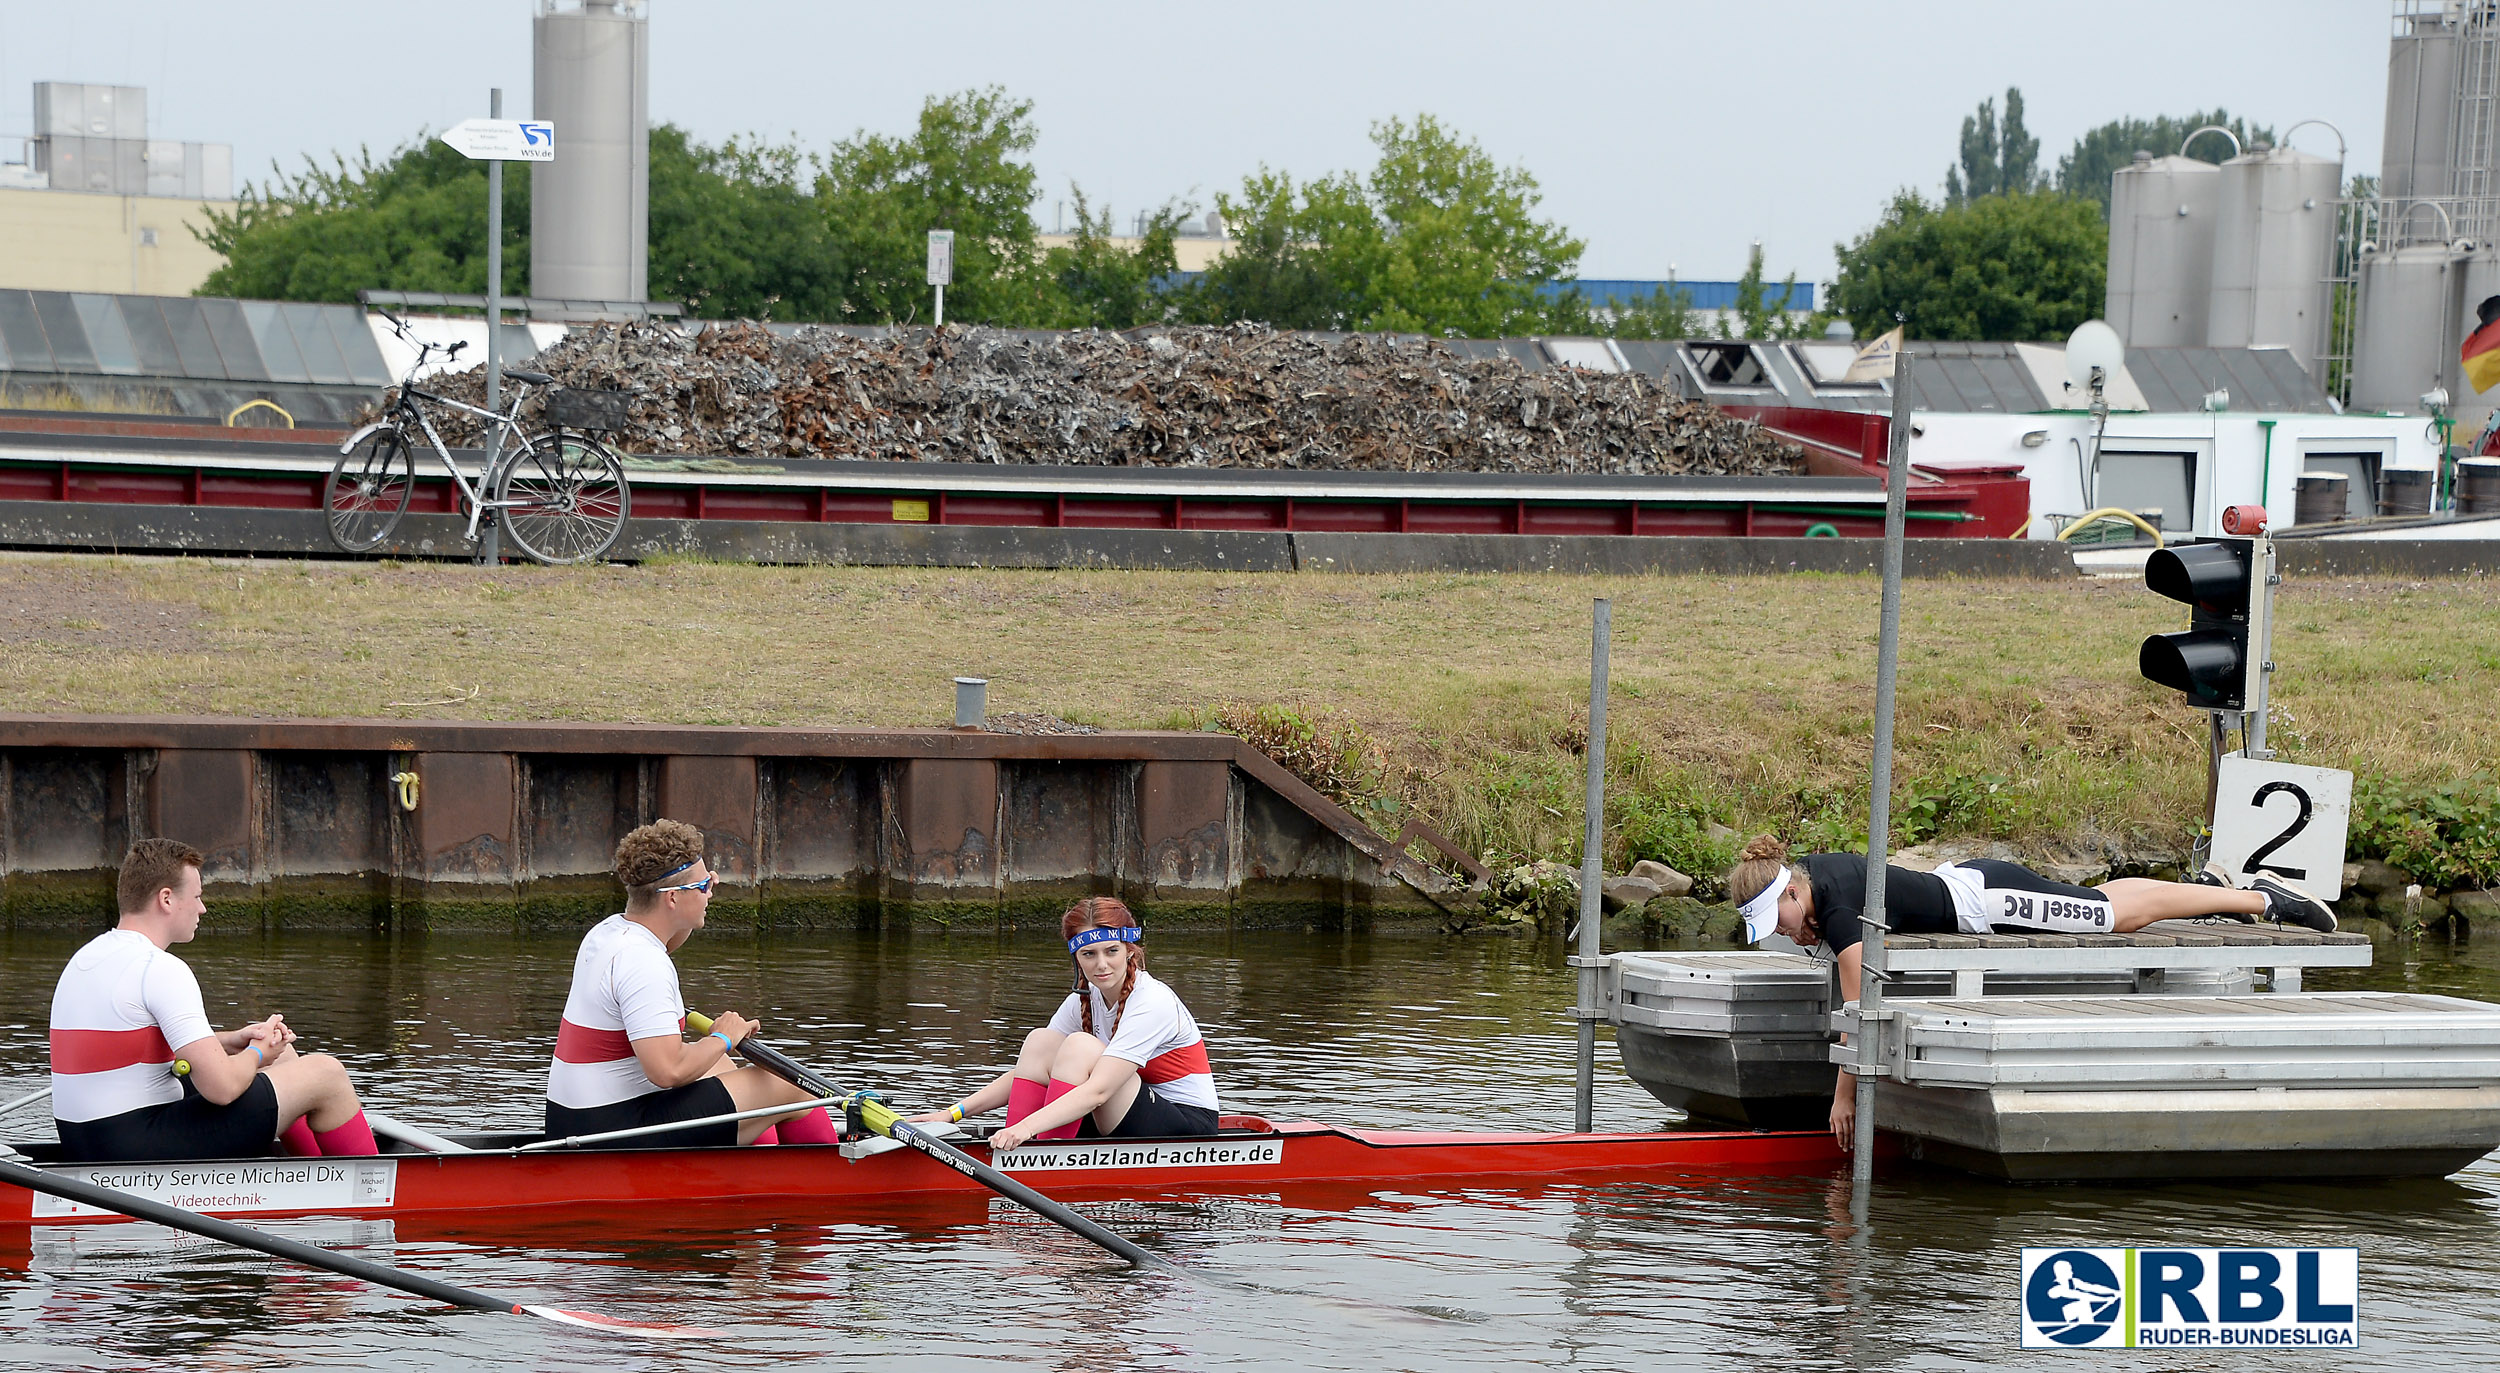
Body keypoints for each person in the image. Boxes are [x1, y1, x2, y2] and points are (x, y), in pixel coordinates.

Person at [1726, 835, 2338, 1149]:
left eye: (1776, 922)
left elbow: (1856, 1011)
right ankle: (2212, 888)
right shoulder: (1813, 875)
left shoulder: (1833, 912)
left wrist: (1845, 1100)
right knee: (2106, 905)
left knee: (2118, 916)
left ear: (1788, 893)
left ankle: (2262, 898)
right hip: (1971, 886)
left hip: (1989, 903)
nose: (1783, 935)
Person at [51, 839, 376, 1163]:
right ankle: (370, 1188)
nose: (202, 908)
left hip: (87, 1138)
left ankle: (309, 1170)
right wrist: (256, 1053)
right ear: (166, 899)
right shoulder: (159, 968)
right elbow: (222, 1089)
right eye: (196, 896)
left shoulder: (89, 956)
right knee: (326, 1074)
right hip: (131, 1145)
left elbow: (133, 1043)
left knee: (284, 1055)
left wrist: (232, 1041)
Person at [545, 819, 835, 1149]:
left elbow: (670, 938)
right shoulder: (644, 962)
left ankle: (758, 1158)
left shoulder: (610, 932)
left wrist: (716, 1049)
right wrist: (724, 1037)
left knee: (718, 1066)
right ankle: (836, 1173)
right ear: (672, 898)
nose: (712, 891)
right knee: (789, 1083)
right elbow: (667, 1072)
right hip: (610, 1134)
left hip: (576, 1119)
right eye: (703, 887)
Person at [910, 897, 1219, 1150]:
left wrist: (1027, 1127)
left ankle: (1041, 1151)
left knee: (1080, 1046)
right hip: (1124, 1112)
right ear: (1077, 958)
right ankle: (1017, 1150)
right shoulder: (1082, 999)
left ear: (1130, 951)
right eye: (1089, 954)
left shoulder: (1153, 1001)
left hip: (1187, 1125)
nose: (1101, 964)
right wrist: (952, 1114)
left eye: (1111, 951)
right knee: (1041, 1041)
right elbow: (1028, 1071)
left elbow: (1098, 1092)